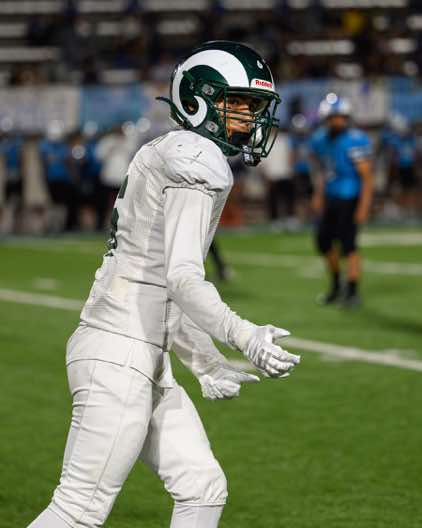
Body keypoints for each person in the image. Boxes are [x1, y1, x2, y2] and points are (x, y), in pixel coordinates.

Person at [27, 41, 300, 528]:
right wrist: (243, 335)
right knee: (77, 510)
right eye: (238, 102)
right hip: (121, 353)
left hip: (136, 352)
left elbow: (160, 287)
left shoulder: (171, 149)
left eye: (255, 105)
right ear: (198, 99)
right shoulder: (196, 155)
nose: (250, 116)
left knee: (202, 487)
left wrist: (206, 361)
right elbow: (182, 278)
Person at [310, 93, 373, 307]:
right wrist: (318, 194)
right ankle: (337, 285)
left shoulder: (355, 139)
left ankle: (352, 291)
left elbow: (366, 176)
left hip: (349, 197)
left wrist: (364, 206)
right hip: (331, 196)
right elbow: (323, 170)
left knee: (349, 245)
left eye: (341, 117)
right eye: (333, 117)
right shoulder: (320, 139)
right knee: (323, 242)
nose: (338, 121)